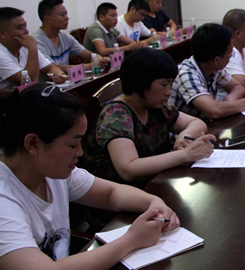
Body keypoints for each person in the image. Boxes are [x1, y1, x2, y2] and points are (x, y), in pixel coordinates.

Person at [0, 84, 180, 270]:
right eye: (72, 144)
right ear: (33, 144)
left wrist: (153, 202)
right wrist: (132, 239)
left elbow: (111, 194)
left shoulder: (49, 169)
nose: (79, 152)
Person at [80, 49, 214, 186]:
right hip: (119, 194)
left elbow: (197, 123)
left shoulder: (154, 107)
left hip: (155, 183)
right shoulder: (115, 116)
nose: (169, 92)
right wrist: (184, 155)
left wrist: (183, 138)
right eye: (164, 84)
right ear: (141, 82)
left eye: (170, 84)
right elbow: (128, 169)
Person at [169, 23, 245, 120]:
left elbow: (237, 87)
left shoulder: (213, 67)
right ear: (217, 60)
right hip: (187, 129)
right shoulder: (186, 74)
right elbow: (214, 111)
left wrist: (230, 99)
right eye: (230, 53)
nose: (231, 56)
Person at [0, 7, 66, 89]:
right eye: (20, 27)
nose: (26, 31)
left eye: (25, 26)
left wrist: (59, 75)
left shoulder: (22, 43)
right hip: (2, 97)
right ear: (2, 33)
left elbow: (50, 67)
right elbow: (27, 82)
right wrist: (32, 49)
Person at [32, 0, 109, 73]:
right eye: (62, 15)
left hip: (67, 80)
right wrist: (90, 66)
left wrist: (100, 59)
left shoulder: (64, 36)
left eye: (66, 14)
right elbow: (51, 68)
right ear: (47, 19)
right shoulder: (36, 41)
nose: (67, 18)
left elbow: (89, 55)